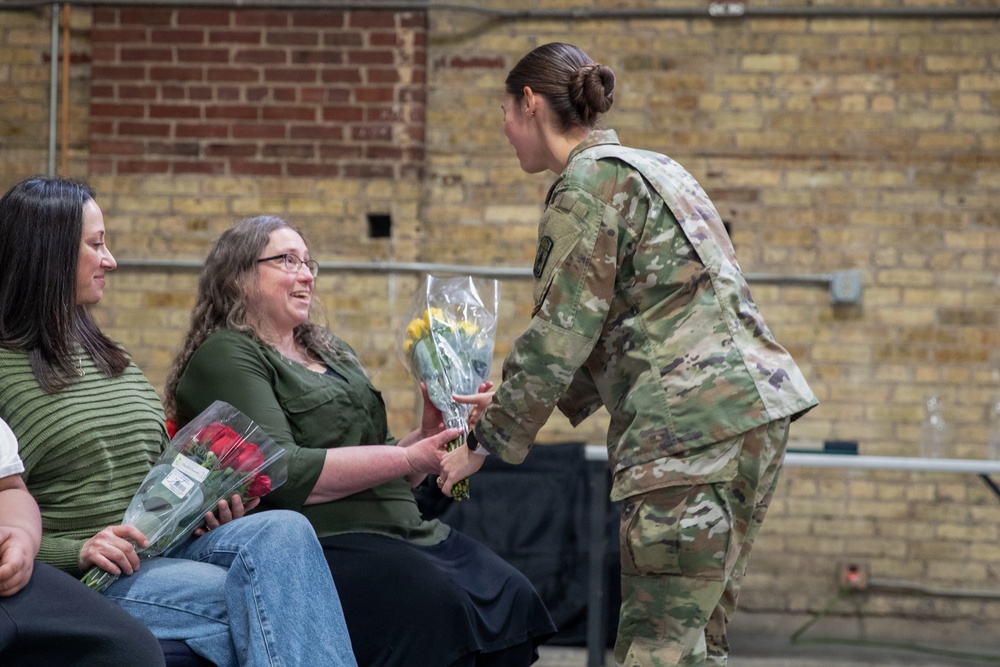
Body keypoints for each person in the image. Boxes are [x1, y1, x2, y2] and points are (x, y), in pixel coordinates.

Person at [437, 43, 819, 667]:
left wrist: (484, 440)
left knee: (656, 647)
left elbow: (561, 331)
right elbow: (640, 315)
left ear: (530, 104)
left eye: (505, 113)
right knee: (698, 642)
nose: (505, 132)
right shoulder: (655, 167)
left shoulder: (586, 183)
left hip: (686, 432)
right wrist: (511, 401)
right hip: (752, 414)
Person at [164, 215, 557, 667]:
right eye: (287, 261)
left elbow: (396, 464)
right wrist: (408, 454)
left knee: (513, 595)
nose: (306, 274)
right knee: (435, 607)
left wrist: (431, 432)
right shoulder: (228, 353)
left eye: (309, 262)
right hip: (326, 540)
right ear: (238, 276)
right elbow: (282, 473)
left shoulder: (332, 351)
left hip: (405, 528)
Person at [0, 176, 357, 667]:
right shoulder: (5, 372)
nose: (111, 260)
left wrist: (201, 504)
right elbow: (10, 513)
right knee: (277, 600)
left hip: (166, 546)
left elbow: (151, 473)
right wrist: (76, 550)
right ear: (50, 253)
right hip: (96, 576)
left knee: (285, 530)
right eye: (96, 245)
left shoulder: (109, 355)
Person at [0, 417, 166, 667]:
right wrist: (76, 552)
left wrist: (19, 534)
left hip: (14, 580)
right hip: (98, 568)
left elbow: (8, 488)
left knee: (131, 652)